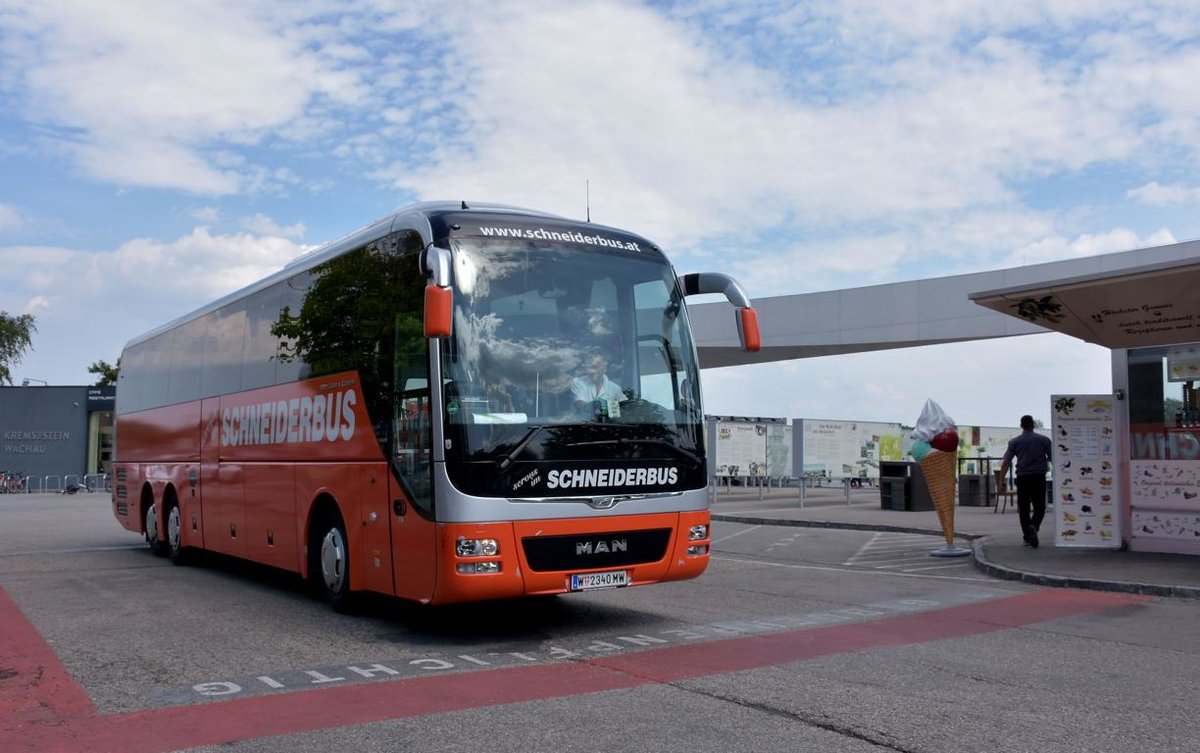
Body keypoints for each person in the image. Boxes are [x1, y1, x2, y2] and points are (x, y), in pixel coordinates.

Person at [999, 414, 1053, 548]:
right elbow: (1054, 458)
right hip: (1038, 477)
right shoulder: (1044, 440)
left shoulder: (1014, 442)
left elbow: (1006, 462)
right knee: (1040, 507)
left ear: (1021, 426)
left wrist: (1001, 480)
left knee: (1024, 509)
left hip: (1022, 478)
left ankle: (1027, 537)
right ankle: (1033, 526)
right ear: (1033, 425)